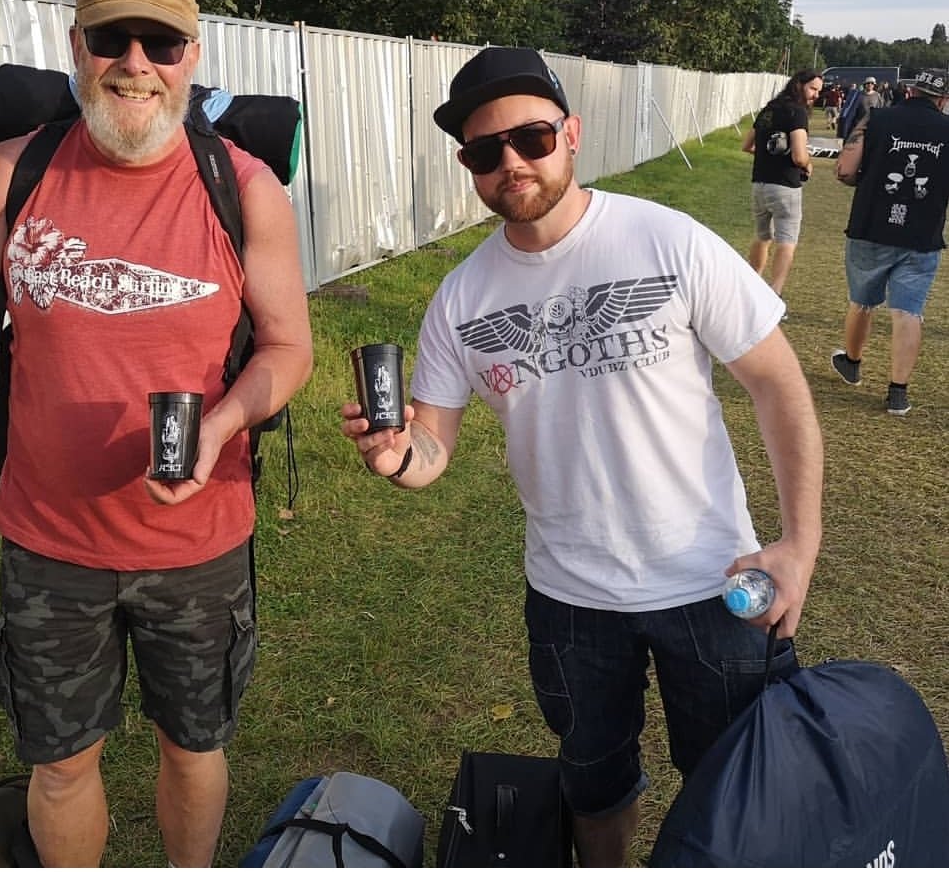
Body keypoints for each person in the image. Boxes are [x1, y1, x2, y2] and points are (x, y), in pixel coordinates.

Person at [339, 47, 823, 866]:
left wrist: (799, 545)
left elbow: (779, 388)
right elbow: (431, 444)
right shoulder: (461, 296)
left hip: (711, 580)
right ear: (468, 166)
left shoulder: (667, 240)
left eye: (528, 138)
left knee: (737, 784)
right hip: (568, 598)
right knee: (592, 783)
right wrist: (394, 457)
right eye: (483, 152)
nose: (510, 164)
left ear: (569, 132)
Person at [0, 0, 313, 867]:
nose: (135, 62)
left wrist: (219, 427)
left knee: (194, 746)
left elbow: (289, 348)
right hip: (49, 542)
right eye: (109, 39)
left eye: (160, 42)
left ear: (190, 56)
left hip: (199, 542)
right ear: (76, 51)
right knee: (58, 768)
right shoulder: (10, 177)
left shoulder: (244, 187)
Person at [832, 67, 949, 416]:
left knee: (862, 302)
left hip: (870, 225)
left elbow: (845, 170)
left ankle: (852, 363)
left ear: (911, 91)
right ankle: (898, 392)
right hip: (922, 234)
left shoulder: (877, 117)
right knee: (908, 311)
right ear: (943, 100)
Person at [741, 68, 822, 312]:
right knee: (787, 241)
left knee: (763, 236)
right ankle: (774, 295)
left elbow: (747, 145)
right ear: (799, 85)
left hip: (760, 184)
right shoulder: (797, 113)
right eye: (813, 88)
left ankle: (751, 286)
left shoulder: (769, 109)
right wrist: (808, 164)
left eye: (819, 90)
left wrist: (768, 157)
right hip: (785, 186)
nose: (816, 95)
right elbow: (798, 156)